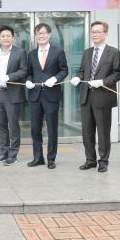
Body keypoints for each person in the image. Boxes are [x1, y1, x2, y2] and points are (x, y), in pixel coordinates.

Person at [71, 21, 120, 173]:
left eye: (98, 32)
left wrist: (103, 82)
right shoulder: (87, 52)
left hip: (103, 97)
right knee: (87, 131)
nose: (95, 34)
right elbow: (82, 71)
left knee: (103, 132)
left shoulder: (114, 52)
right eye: (93, 32)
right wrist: (78, 77)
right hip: (86, 97)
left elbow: (118, 73)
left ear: (105, 34)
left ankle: (103, 161)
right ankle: (90, 160)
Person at [25, 23, 68, 169]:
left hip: (51, 95)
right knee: (35, 129)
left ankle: (51, 159)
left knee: (52, 129)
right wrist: (28, 81)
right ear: (36, 36)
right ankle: (38, 157)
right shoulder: (31, 54)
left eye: (43, 33)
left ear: (49, 35)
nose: (41, 36)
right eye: (38, 34)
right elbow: (29, 72)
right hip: (35, 96)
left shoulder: (58, 51)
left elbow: (64, 70)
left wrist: (55, 79)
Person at [0, 25, 28, 165]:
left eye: (8, 36)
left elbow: (23, 71)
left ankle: (13, 154)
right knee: (0, 125)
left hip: (13, 94)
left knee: (13, 126)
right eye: (3, 36)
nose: (5, 38)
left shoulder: (20, 52)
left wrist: (9, 77)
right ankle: (3, 152)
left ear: (13, 37)